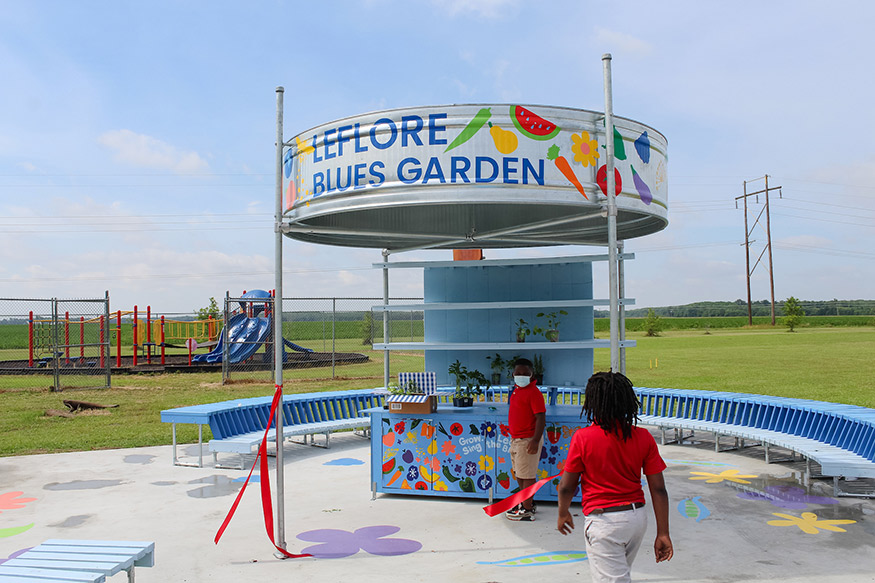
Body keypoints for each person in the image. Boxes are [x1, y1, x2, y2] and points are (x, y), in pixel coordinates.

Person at [556, 371, 673, 581]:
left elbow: (566, 486)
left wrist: (563, 512)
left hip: (605, 523)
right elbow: (659, 489)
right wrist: (663, 532)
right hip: (636, 520)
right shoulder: (643, 437)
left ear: (593, 403)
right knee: (619, 574)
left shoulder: (583, 438)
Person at [505, 357, 546, 521]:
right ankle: (524, 501)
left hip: (528, 439)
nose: (521, 376)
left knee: (527, 475)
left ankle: (527, 509)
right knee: (520, 473)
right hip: (516, 439)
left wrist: (535, 440)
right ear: (513, 374)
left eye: (525, 373)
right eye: (518, 373)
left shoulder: (533, 393)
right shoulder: (516, 390)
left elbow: (541, 417)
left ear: (531, 374)